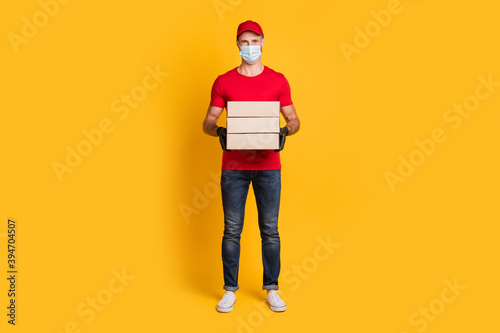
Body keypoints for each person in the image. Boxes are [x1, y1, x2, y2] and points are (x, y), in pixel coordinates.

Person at [202, 20, 300, 313]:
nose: (249, 47)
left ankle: (272, 288)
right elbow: (208, 122)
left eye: (254, 41)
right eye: (244, 42)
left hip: (269, 166)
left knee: (270, 229)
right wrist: (218, 130)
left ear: (263, 42)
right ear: (237, 45)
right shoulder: (223, 81)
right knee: (232, 229)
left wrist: (286, 131)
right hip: (233, 166)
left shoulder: (278, 80)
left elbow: (294, 119)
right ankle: (230, 290)